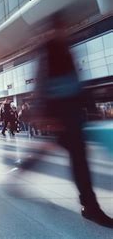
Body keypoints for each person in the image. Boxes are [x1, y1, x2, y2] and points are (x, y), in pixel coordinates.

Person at [18, 16, 113, 228]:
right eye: (61, 28)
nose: (65, 31)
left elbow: (76, 81)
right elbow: (42, 85)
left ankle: (25, 167)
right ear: (54, 30)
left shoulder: (64, 48)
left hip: (69, 114)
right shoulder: (48, 51)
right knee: (79, 159)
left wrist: (89, 107)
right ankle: (90, 206)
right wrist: (44, 115)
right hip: (62, 116)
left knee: (70, 154)